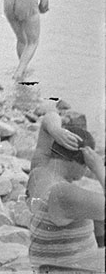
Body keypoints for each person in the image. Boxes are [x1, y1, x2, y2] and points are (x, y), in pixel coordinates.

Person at [27, 115, 105, 272]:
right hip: (69, 269)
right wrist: (99, 169)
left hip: (48, 265)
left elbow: (49, 116)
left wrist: (56, 130)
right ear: (83, 159)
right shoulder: (62, 193)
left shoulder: (38, 169)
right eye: (87, 166)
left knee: (98, 223)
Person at [4, 0, 53, 83]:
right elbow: (43, 3)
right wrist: (43, 10)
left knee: (22, 39)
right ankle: (19, 73)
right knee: (33, 41)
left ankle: (22, 71)